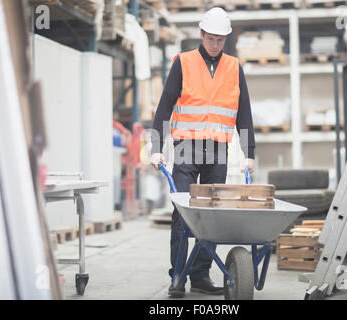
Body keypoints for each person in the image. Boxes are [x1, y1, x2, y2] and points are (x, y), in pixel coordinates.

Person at [150, 7, 256, 298]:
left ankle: (199, 275)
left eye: (220, 40)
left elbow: (243, 114)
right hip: (186, 147)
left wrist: (249, 153)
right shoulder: (183, 63)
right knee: (184, 214)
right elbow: (163, 109)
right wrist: (155, 148)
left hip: (218, 150)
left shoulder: (234, 68)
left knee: (210, 216)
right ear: (201, 34)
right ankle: (177, 276)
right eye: (211, 39)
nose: (215, 44)